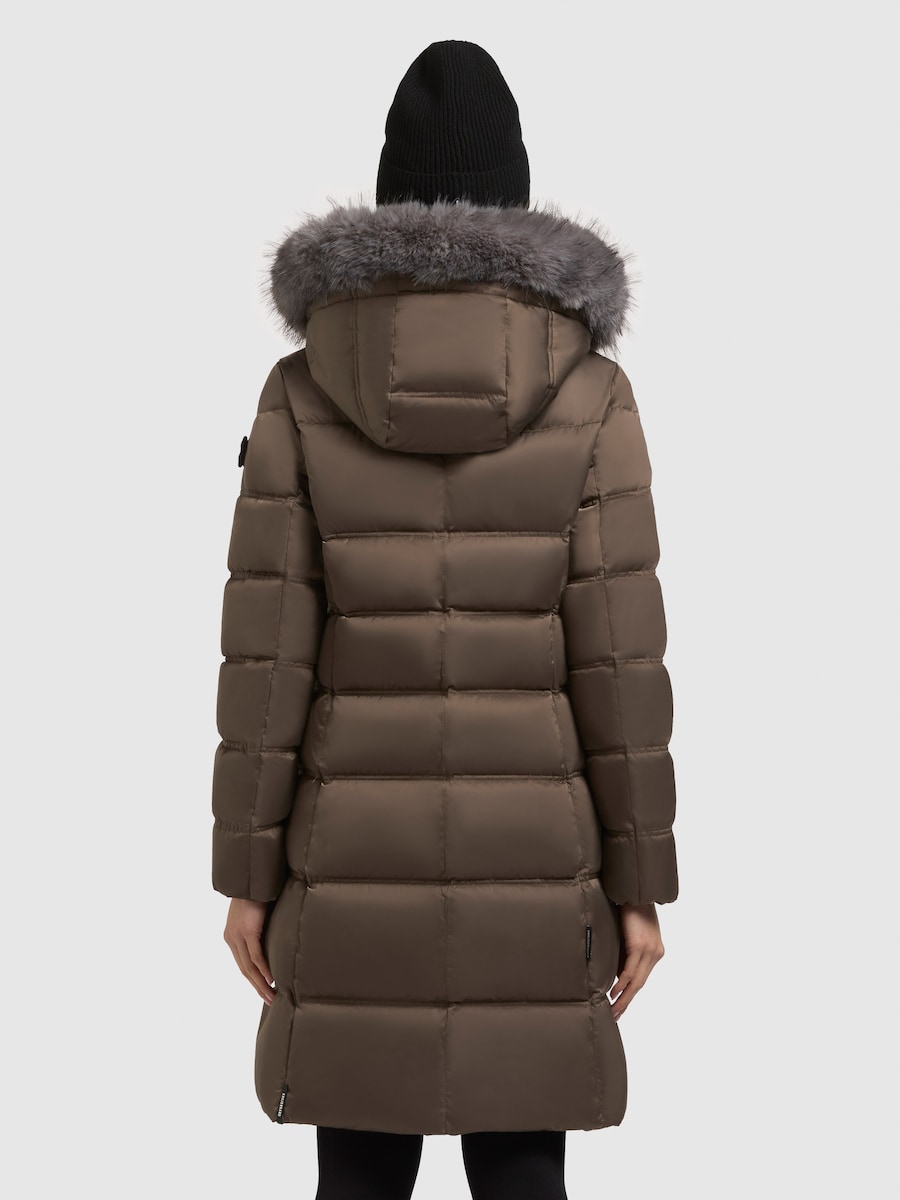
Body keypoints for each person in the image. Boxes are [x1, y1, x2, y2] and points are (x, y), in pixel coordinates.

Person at [211, 39, 679, 1200]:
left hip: (346, 858)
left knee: (357, 1182)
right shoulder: (592, 393)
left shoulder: (301, 390)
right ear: (517, 200)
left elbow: (266, 665)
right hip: (541, 867)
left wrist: (246, 874)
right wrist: (640, 883)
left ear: (389, 202)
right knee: (522, 1180)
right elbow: (620, 665)